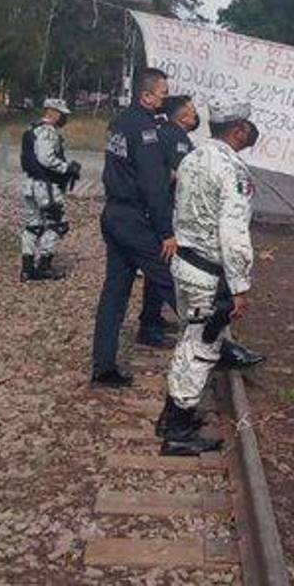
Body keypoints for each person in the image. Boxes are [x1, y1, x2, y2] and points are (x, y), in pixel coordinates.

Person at [157, 101, 259, 456]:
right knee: (202, 348)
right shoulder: (233, 171)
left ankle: (171, 416)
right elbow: (233, 234)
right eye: (248, 126)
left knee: (189, 338)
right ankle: (179, 432)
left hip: (184, 265)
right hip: (208, 275)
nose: (251, 131)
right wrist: (240, 286)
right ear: (238, 130)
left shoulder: (192, 159)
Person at [90, 68, 178, 387]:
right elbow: (154, 187)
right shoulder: (145, 130)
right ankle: (214, 344)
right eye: (163, 94)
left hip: (113, 213)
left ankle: (103, 367)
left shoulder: (119, 121)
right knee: (170, 279)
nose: (165, 99)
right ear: (146, 96)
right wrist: (166, 232)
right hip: (134, 219)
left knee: (114, 293)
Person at [137, 94, 199, 339]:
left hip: (156, 208)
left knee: (159, 267)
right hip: (167, 209)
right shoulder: (177, 137)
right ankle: (150, 326)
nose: (195, 115)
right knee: (163, 267)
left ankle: (151, 317)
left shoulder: (162, 131)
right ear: (183, 116)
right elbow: (180, 173)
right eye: (192, 111)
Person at [19, 98, 81, 282]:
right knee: (57, 224)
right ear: (52, 112)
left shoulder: (33, 129)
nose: (64, 118)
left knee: (33, 225)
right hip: (46, 186)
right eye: (62, 114)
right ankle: (44, 265)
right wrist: (66, 168)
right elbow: (46, 159)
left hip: (30, 184)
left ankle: (27, 268)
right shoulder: (48, 132)